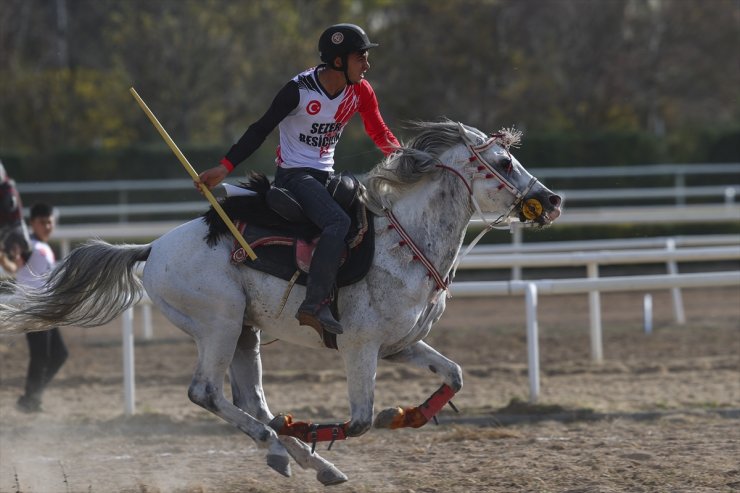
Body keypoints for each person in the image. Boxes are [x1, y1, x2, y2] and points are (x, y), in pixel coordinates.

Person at [198, 24, 400, 335]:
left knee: (365, 215)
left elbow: (379, 132)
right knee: (337, 223)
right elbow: (260, 129)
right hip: (293, 176)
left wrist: (408, 162)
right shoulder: (299, 90)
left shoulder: (361, 91)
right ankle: (314, 305)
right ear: (338, 62)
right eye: (361, 57)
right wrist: (225, 166)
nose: (367, 64)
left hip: (326, 176)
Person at [14, 202, 68, 413]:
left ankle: (31, 397)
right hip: (33, 306)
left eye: (49, 222)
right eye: (42, 222)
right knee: (41, 355)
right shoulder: (28, 244)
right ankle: (30, 399)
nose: (47, 226)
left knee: (58, 354)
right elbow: (13, 265)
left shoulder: (44, 247)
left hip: (44, 306)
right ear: (32, 223)